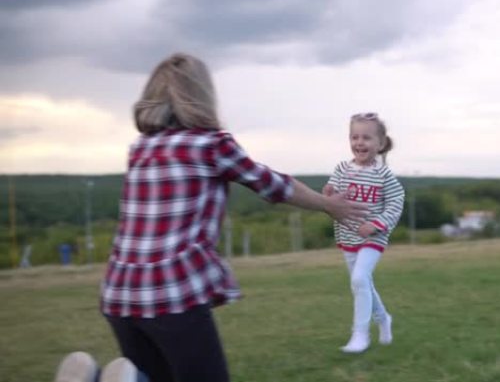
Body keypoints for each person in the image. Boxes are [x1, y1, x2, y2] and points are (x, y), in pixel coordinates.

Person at [55, 53, 366, 382]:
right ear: (201, 94)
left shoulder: (141, 148)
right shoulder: (212, 145)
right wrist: (328, 205)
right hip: (171, 289)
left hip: (119, 291)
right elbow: (275, 186)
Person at [322, 112, 405, 353]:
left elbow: (397, 201)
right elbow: (332, 199)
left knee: (359, 279)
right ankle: (383, 318)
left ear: (379, 144)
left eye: (366, 138)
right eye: (354, 137)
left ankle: (360, 335)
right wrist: (327, 195)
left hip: (373, 237)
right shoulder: (341, 169)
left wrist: (378, 223)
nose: (359, 142)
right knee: (362, 283)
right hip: (348, 236)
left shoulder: (383, 174)